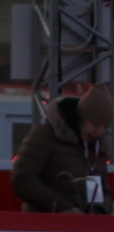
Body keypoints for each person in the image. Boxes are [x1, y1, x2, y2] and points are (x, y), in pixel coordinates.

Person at [11, 82, 113, 212]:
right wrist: (63, 208)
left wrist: (100, 209)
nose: (98, 132)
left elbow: (103, 189)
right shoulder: (46, 135)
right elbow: (22, 178)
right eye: (95, 124)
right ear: (81, 118)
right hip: (46, 224)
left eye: (104, 127)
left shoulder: (98, 147)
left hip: (84, 226)